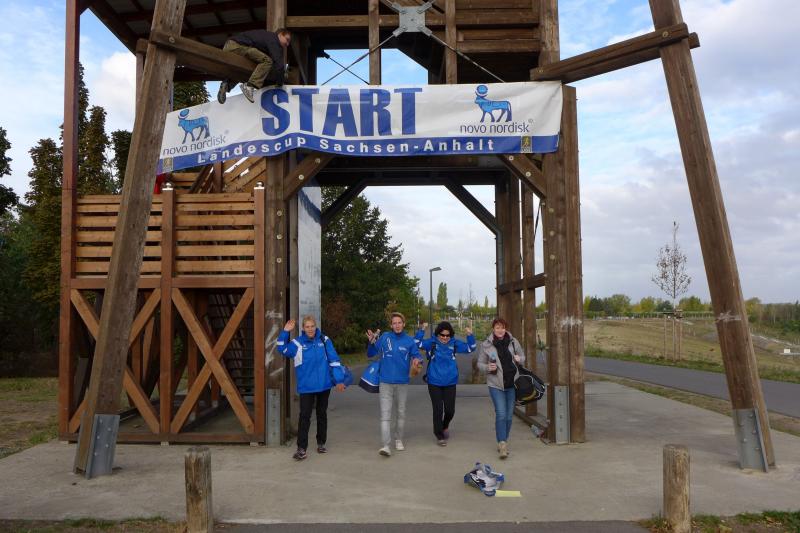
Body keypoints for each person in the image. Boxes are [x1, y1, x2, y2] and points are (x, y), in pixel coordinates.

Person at [277, 315, 346, 461]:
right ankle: (301, 449)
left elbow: (334, 360)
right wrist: (285, 331)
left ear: (316, 326)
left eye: (312, 326)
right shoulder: (297, 343)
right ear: (303, 328)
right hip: (307, 387)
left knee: (321, 414)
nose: (310, 329)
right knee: (305, 417)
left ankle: (321, 443)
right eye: (307, 327)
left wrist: (339, 380)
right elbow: (281, 349)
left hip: (324, 385)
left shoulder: (324, 340)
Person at [366, 312, 423, 457]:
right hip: (385, 382)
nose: (397, 325)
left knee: (401, 413)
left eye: (399, 323)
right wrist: (371, 342)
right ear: (391, 325)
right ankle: (386, 445)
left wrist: (417, 361)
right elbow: (371, 353)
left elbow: (417, 356)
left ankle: (398, 439)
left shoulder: (409, 341)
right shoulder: (385, 337)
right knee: (385, 415)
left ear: (403, 324)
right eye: (394, 323)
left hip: (402, 382)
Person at [414, 321, 476, 446]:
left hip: (450, 381)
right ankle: (439, 435)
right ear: (438, 334)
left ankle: (445, 425)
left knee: (450, 411)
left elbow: (471, 348)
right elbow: (416, 343)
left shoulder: (454, 344)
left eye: (448, 335)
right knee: (438, 410)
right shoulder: (431, 343)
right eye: (442, 335)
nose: (445, 337)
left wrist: (470, 335)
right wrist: (422, 330)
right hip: (434, 381)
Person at [476, 317, 525, 459]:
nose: (500, 330)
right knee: (501, 414)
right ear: (493, 329)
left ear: (505, 328)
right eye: (497, 327)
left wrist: (519, 359)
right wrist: (487, 367)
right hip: (495, 384)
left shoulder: (513, 342)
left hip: (512, 384)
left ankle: (503, 439)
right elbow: (479, 364)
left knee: (509, 416)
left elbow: (523, 357)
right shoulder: (486, 345)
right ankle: (502, 443)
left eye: (503, 327)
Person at [217, 28, 291, 104]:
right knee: (267, 61)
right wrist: (280, 83)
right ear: (280, 34)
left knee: (249, 72)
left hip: (231, 46)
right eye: (287, 39)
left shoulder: (267, 39)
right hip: (236, 46)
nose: (287, 44)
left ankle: (227, 85)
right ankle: (250, 86)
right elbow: (279, 64)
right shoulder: (273, 39)